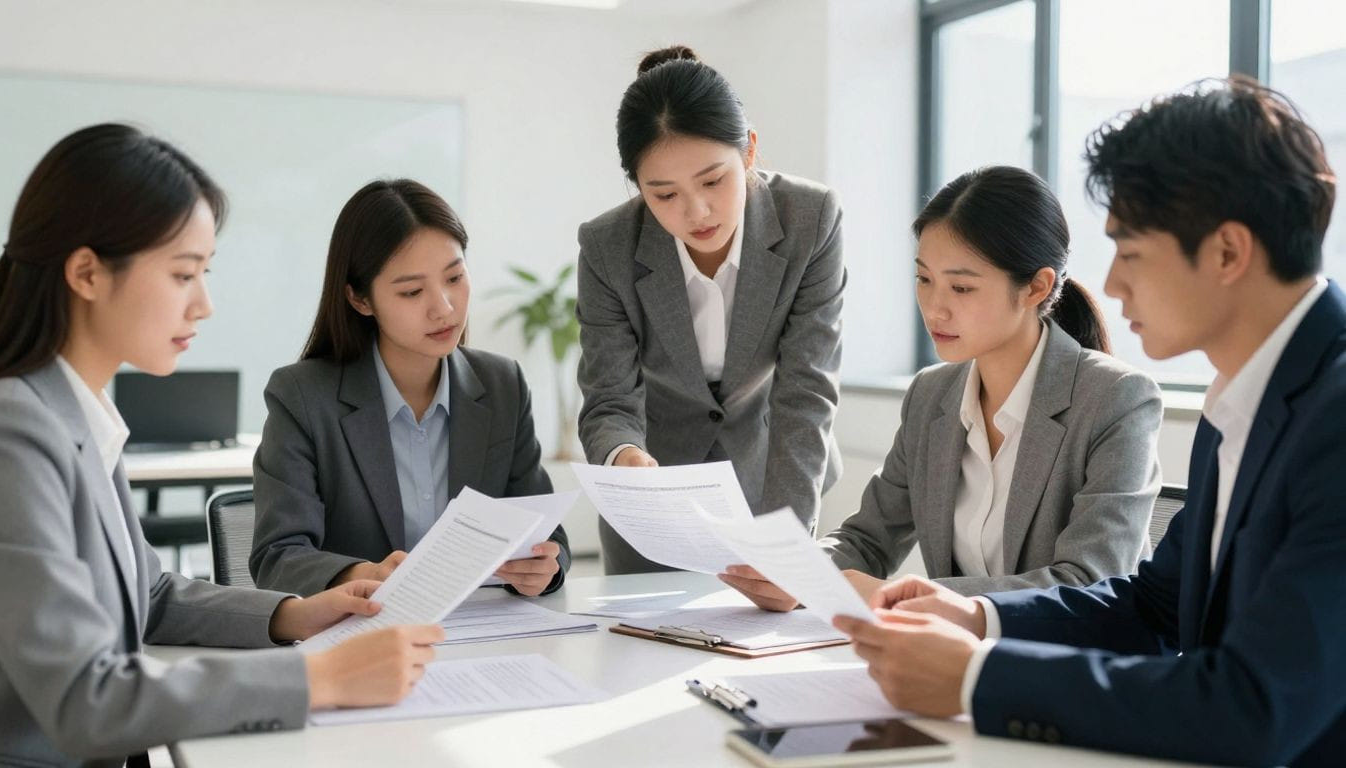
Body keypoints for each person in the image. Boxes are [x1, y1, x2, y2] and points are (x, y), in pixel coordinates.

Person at [833, 77, 1346, 767]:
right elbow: (1154, 605)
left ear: (1227, 252)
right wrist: (977, 616)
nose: (1109, 286)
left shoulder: (1334, 418)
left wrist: (976, 677)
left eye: (1130, 252)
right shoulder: (1241, 403)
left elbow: (1255, 706)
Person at [0, 124, 444, 767]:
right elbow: (85, 700)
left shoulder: (77, 411)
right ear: (86, 272)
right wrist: (323, 679)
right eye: (182, 275)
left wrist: (295, 615)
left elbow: (150, 595)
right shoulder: (9, 429)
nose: (204, 305)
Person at [722, 166, 1162, 610]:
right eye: (924, 279)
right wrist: (796, 571)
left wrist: (904, 596)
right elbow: (867, 541)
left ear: (1035, 287)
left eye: (962, 287)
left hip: (1069, 666)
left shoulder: (1117, 399)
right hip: (953, 659)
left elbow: (1088, 582)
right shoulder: (931, 395)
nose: (935, 308)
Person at [577, 45, 845, 573]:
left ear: (748, 150)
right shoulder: (607, 244)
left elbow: (806, 389)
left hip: (774, 473)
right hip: (655, 495)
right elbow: (609, 397)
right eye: (664, 194)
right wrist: (624, 458)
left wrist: (784, 542)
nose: (695, 212)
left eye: (712, 181)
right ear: (638, 187)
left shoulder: (810, 219)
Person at [251, 179, 569, 597]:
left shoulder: (502, 385)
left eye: (454, 277)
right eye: (412, 291)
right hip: (361, 639)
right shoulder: (302, 396)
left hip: (480, 637)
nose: (444, 307)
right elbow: (278, 558)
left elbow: (547, 535)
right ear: (361, 299)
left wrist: (546, 567)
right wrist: (364, 576)